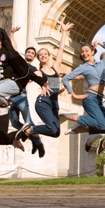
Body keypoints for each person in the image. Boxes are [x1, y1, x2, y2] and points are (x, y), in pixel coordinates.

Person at [15, 22, 73, 156]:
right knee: (52, 128)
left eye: (45, 53)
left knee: (56, 132)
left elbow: (61, 49)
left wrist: (64, 32)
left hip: (54, 103)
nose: (43, 55)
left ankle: (30, 131)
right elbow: (24, 81)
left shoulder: (55, 68)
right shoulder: (38, 73)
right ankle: (30, 129)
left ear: (48, 55)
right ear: (39, 59)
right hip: (43, 102)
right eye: (40, 54)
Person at [60, 29, 105, 146]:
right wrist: (73, 94)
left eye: (86, 51)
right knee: (102, 125)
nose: (84, 53)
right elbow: (65, 79)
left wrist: (101, 43)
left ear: (93, 51)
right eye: (82, 52)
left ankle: (81, 128)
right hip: (90, 98)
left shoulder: (101, 64)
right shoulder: (83, 67)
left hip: (99, 100)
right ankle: (74, 118)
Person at [7, 27, 44, 155]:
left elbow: (42, 77)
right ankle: (32, 137)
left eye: (32, 53)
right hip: (10, 95)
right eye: (28, 52)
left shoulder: (33, 68)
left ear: (34, 58)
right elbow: (14, 49)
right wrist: (11, 34)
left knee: (29, 120)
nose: (30, 54)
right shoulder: (20, 63)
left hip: (21, 95)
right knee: (14, 121)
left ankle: (38, 143)